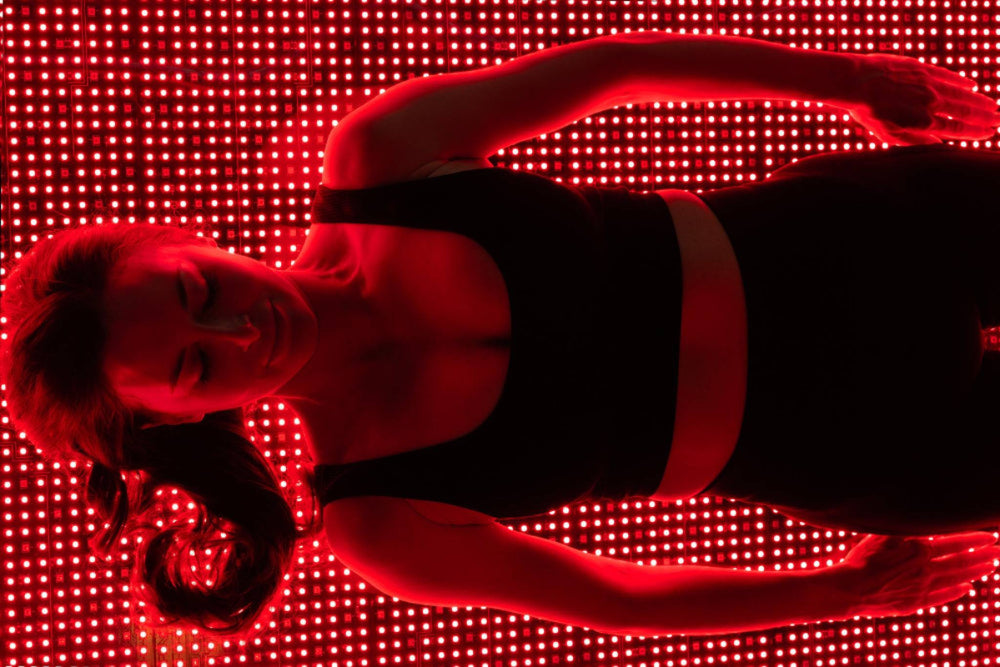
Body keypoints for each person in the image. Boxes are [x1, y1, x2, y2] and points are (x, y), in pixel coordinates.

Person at [4, 30, 1000, 638]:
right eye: (194, 359)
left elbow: (615, 67)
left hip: (878, 238)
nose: (237, 325)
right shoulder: (378, 519)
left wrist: (845, 79)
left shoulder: (378, 162)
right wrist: (843, 595)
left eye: (196, 288)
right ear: (188, 413)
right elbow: (621, 603)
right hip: (879, 444)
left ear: (182, 239)